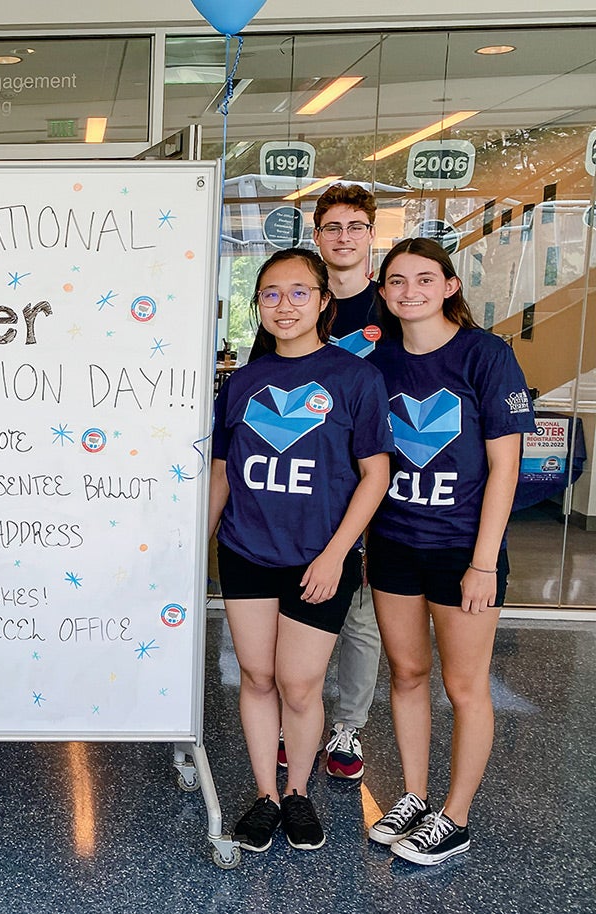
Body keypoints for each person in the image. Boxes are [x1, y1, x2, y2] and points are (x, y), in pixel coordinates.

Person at [210, 248, 392, 853]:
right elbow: (222, 474)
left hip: (320, 559)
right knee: (258, 676)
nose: (283, 305)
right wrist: (197, 546)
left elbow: (375, 475)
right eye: (269, 294)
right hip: (245, 552)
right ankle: (266, 794)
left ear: (322, 302)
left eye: (297, 293)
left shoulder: (355, 378)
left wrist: (337, 553)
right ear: (257, 305)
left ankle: (299, 792)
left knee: (300, 684)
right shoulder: (241, 383)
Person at [365, 238, 534, 865]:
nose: (410, 291)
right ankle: (412, 795)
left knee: (464, 686)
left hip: (464, 550)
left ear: (449, 286)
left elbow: (504, 468)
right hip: (393, 545)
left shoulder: (485, 356)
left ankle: (455, 817)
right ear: (383, 293)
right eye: (397, 281)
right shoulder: (377, 366)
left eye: (424, 279)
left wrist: (484, 562)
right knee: (407, 676)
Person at [250, 182, 384, 780]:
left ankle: (347, 726)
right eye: (332, 227)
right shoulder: (289, 304)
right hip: (309, 487)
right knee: (283, 645)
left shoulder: (394, 303)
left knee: (357, 613)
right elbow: (262, 386)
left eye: (355, 226)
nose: (344, 236)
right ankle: (289, 721)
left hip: (373, 478)